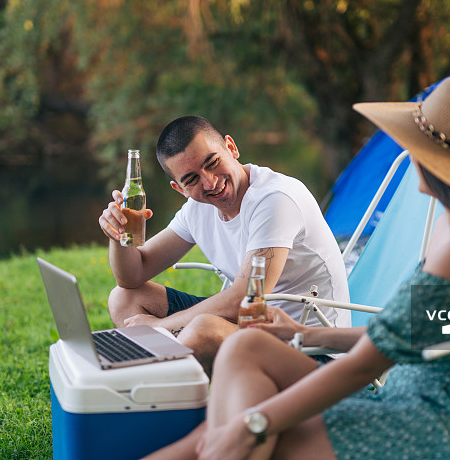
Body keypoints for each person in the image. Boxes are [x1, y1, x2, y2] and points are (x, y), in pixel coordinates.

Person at [145, 75, 450, 459]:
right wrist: (303, 333)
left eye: (413, 142)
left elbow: (367, 364)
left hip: (438, 430)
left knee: (248, 439)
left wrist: (257, 422)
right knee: (241, 353)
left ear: (440, 160)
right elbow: (412, 332)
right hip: (409, 399)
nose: (405, 150)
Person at [98, 116, 350, 374]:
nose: (210, 182)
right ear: (179, 188)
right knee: (124, 298)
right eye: (192, 179)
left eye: (212, 162)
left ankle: (170, 395)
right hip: (252, 326)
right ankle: (168, 392)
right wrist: (118, 234)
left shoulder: (275, 198)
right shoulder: (195, 210)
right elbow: (132, 275)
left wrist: (160, 327)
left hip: (313, 352)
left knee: (204, 330)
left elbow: (244, 298)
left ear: (231, 148)